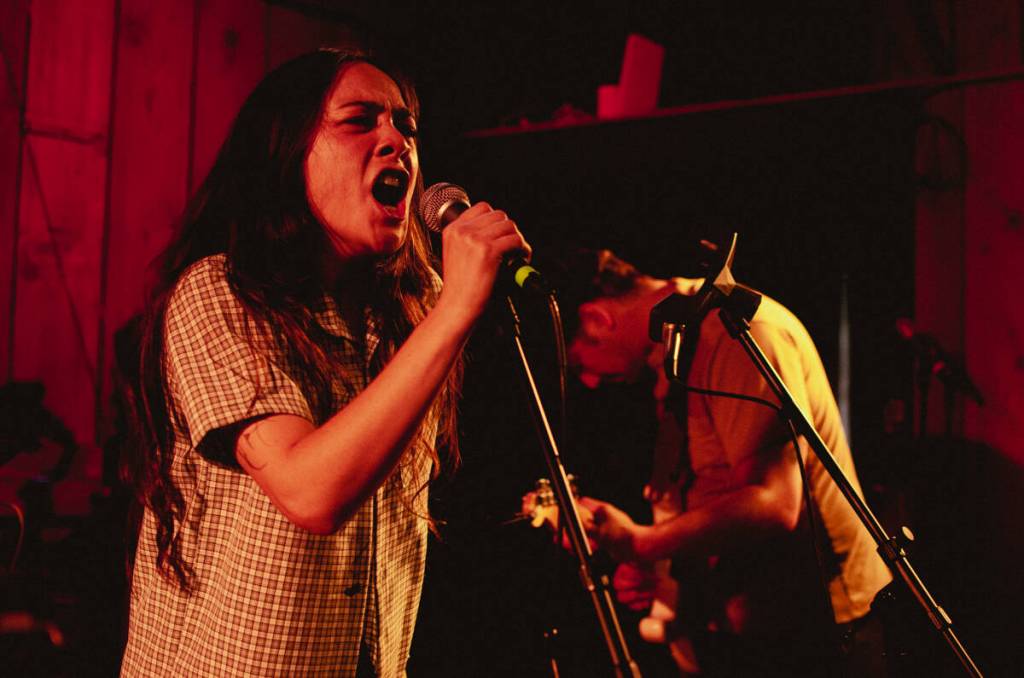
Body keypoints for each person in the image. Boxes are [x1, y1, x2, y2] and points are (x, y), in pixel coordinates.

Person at [119, 48, 529, 677]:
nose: (396, 141)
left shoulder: (409, 311)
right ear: (287, 155)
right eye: (359, 121)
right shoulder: (219, 292)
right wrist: (454, 313)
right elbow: (310, 493)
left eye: (406, 126)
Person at [550, 248, 891, 676]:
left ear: (598, 319)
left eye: (578, 362)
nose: (589, 381)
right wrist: (660, 569)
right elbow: (710, 485)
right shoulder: (677, 340)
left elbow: (774, 502)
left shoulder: (737, 331)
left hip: (815, 632)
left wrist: (644, 542)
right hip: (749, 624)